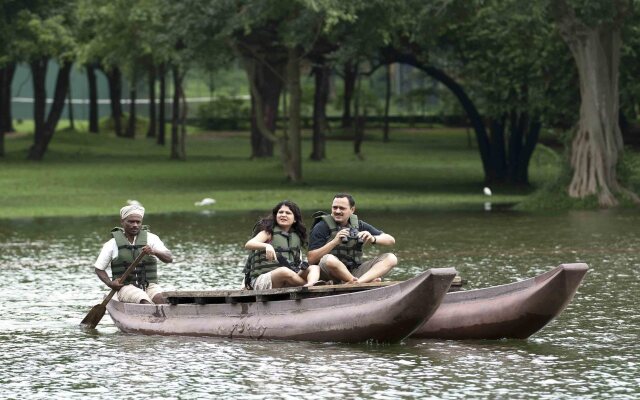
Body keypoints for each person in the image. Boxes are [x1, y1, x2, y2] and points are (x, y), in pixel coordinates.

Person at [307, 193, 397, 284]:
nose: (337, 211)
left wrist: (373, 238)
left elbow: (390, 240)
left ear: (352, 210)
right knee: (329, 259)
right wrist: (334, 242)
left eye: (342, 208)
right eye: (335, 207)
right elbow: (311, 259)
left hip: (354, 271)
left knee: (391, 258)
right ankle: (360, 281)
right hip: (329, 273)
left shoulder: (359, 225)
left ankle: (358, 282)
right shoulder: (321, 226)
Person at [93, 204, 173, 304]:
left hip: (150, 286)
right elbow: (99, 269)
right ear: (122, 222)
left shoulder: (152, 238)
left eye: (138, 222)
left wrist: (154, 252)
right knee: (144, 301)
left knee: (162, 300)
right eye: (131, 221)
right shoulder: (112, 244)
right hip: (125, 287)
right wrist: (110, 283)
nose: (135, 225)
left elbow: (169, 258)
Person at [243, 200, 320, 290]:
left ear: (295, 219)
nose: (283, 215)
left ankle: (311, 283)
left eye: (288, 213)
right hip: (262, 280)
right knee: (284, 272)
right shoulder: (268, 232)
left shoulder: (296, 237)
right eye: (280, 212)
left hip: (289, 277)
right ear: (276, 216)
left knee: (314, 268)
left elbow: (297, 263)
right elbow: (248, 244)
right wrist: (267, 246)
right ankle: (311, 287)